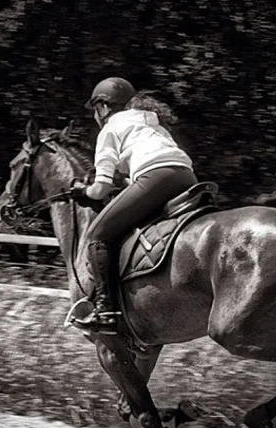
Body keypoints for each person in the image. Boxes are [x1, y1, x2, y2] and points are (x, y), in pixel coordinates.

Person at [71, 77, 198, 330]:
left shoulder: (109, 129)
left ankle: (106, 311)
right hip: (186, 176)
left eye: (95, 109)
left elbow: (101, 188)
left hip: (155, 177)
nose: (96, 115)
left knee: (97, 235)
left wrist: (83, 191)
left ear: (103, 106)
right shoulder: (151, 122)